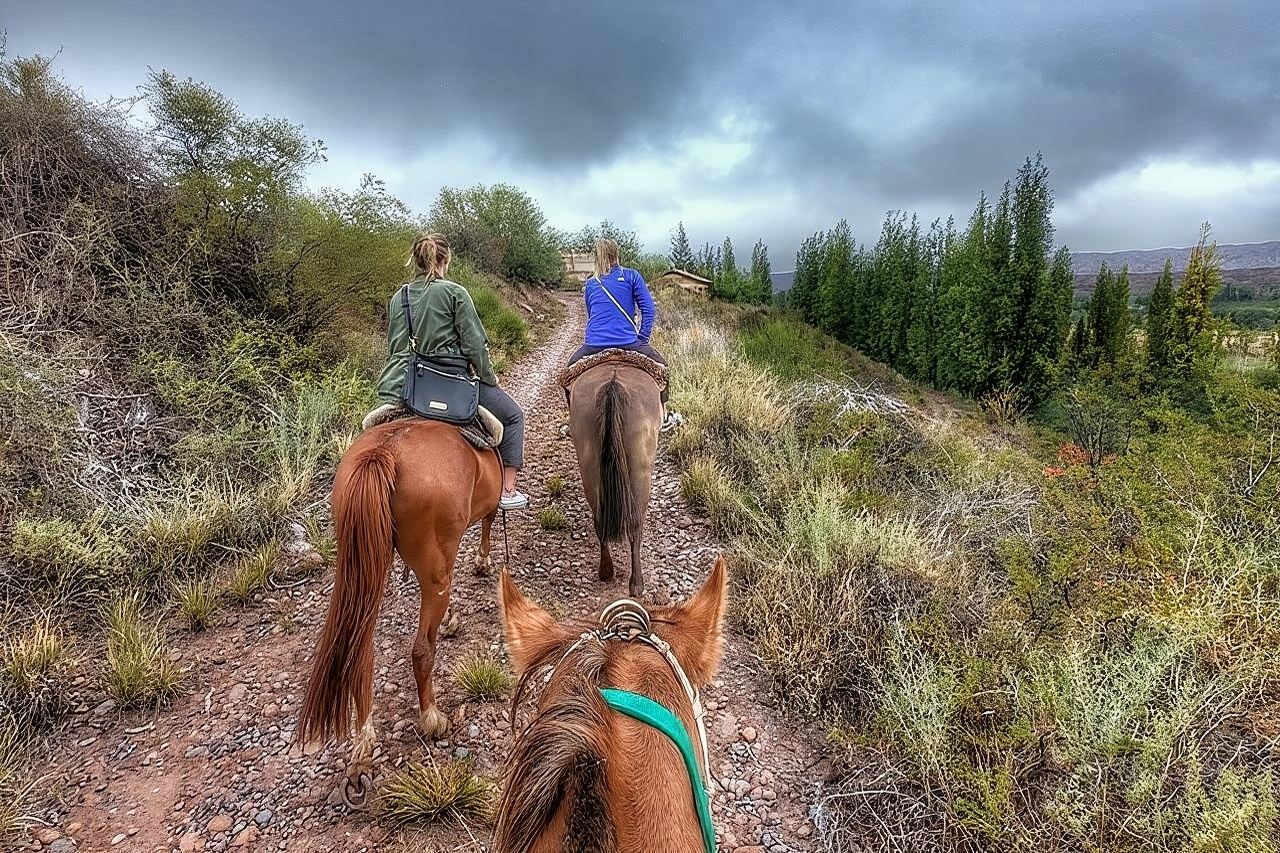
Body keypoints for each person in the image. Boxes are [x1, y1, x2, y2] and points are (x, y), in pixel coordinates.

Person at [364, 233, 529, 510]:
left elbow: (396, 345)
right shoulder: (454, 293)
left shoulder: (398, 297)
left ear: (416, 260)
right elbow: (475, 346)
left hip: (401, 384)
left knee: (371, 434)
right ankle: (507, 491)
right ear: (445, 260)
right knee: (513, 417)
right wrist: (489, 378)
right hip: (447, 383)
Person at [567, 238, 682, 431]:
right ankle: (664, 414)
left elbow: (591, 313)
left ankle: (573, 419)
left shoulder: (591, 284)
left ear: (597, 257)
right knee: (662, 367)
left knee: (568, 373)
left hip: (594, 345)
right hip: (628, 343)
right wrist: (642, 339)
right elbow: (649, 309)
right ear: (616, 254)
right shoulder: (631, 276)